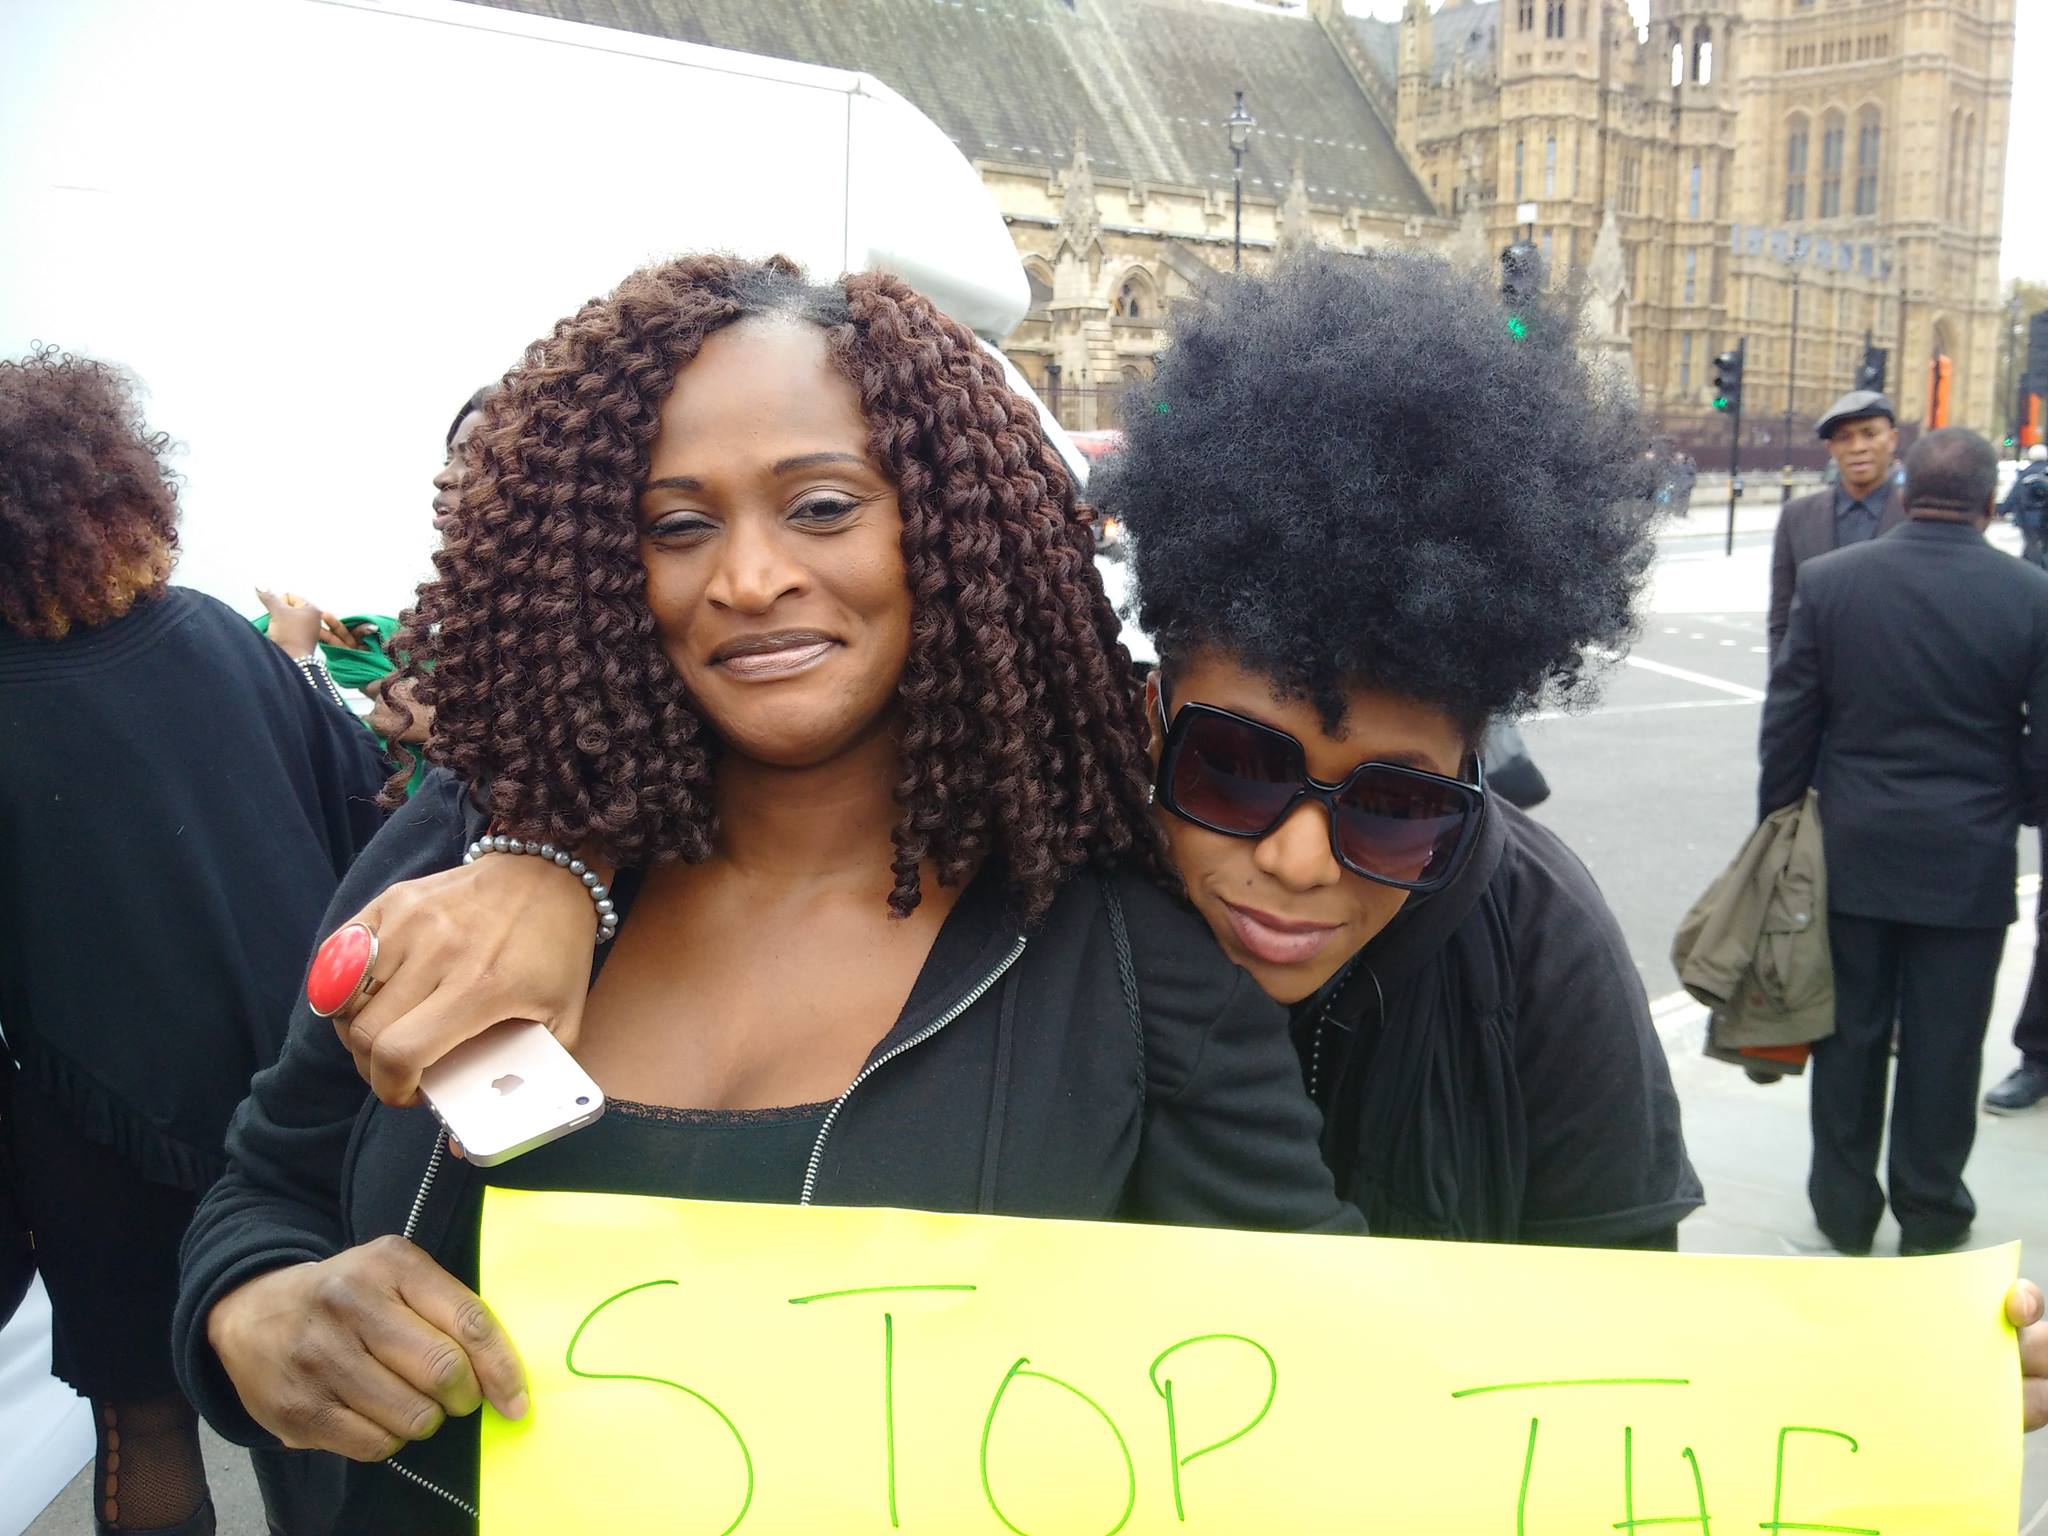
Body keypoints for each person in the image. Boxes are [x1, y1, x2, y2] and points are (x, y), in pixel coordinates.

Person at [172, 256, 1359, 1533]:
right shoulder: (470, 854)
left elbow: (1329, 1382)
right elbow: (265, 1187)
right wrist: (255, 1312)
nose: (745, 577)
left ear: (950, 523)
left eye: (822, 507)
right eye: (678, 526)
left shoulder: (1125, 967)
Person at [307, 252, 1699, 1249]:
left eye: (1397, 807)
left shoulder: (1520, 941)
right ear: (1142, 714)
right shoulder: (509, 836)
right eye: (1236, 768)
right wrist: (550, 853)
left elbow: (1611, 1343)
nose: (1294, 856)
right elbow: (273, 1184)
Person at [0, 350, 387, 1536]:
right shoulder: (218, 636)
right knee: (326, 1395)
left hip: (91, 1125)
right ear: (113, 491)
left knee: (145, 1419)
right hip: (301, 1095)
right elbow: (356, 804)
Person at [1759, 427, 2048, 1256]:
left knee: (1847, 1036)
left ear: (1906, 491)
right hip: (1968, 860)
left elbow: (1790, 724)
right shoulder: (2032, 596)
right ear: (1990, 504)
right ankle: (1931, 1210)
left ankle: (1843, 1208)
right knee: (1947, 1046)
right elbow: (2043, 749)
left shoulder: (1833, 582)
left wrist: (1777, 832)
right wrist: (2016, 809)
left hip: (1851, 852)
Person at [1766, 388, 1905, 664]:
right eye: (1844, 438)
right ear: (1831, 449)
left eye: (1869, 434)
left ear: (1892, 439)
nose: (1857, 447)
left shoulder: (1914, 517)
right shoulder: (1797, 517)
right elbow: (1782, 617)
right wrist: (1781, 682)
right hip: (1818, 682)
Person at [2000, 441, 2048, 569]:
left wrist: (2002, 509)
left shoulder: (2026, 473)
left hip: (2028, 517)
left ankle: (2031, 569)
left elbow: (2015, 493)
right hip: (2045, 516)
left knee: (2031, 544)